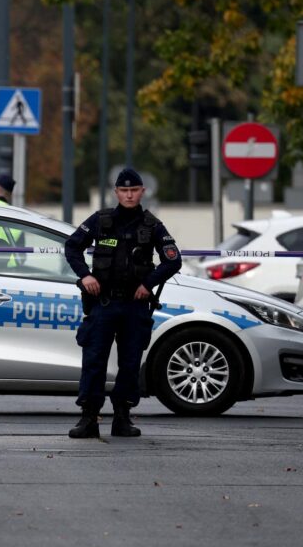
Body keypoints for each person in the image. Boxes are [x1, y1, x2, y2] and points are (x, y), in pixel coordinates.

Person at [64, 168, 182, 439]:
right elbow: (72, 247)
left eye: (134, 190)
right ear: (116, 192)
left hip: (134, 305)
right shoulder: (100, 220)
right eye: (124, 190)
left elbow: (173, 260)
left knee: (130, 363)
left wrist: (148, 284)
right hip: (103, 303)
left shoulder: (152, 225)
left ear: (142, 192)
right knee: (94, 361)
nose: (129, 195)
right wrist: (85, 275)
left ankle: (122, 418)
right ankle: (88, 418)